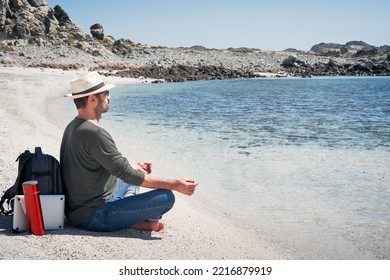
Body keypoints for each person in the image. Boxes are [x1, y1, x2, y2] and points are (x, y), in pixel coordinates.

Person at [60, 71, 198, 232]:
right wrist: (175, 184)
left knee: (129, 176)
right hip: (93, 216)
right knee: (166, 197)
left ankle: (129, 217)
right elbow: (129, 175)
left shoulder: (73, 126)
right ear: (92, 99)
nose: (109, 97)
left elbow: (103, 165)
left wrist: (133, 165)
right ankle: (129, 220)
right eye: (106, 93)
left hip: (77, 211)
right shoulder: (94, 133)